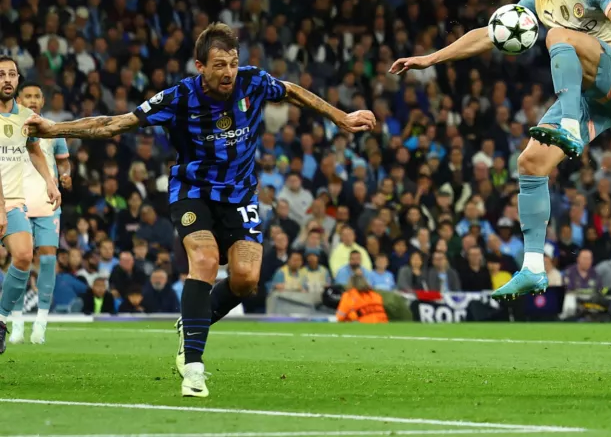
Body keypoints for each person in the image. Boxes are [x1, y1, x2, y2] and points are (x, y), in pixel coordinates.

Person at [26, 23, 375, 396]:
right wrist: (53, 128)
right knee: (206, 261)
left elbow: (292, 91)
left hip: (240, 195)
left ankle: (192, 320)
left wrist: (341, 117)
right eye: (220, 65)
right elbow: (116, 123)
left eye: (234, 64)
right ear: (200, 66)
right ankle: (193, 366)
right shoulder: (179, 97)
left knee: (246, 280)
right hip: (193, 192)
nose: (229, 72)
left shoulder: (253, 82)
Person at [390, 0, 611, 300]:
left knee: (558, 35)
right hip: (594, 96)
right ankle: (533, 267)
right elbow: (489, 33)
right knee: (529, 164)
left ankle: (566, 122)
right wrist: (430, 59)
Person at [0, 59, 61, 354]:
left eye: (12, 74)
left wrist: (50, 180)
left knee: (24, 256)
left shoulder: (25, 117)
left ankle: (2, 320)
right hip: (3, 203)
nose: (7, 79)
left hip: (12, 202)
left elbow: (34, 148)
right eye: (1, 75)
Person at [9, 82, 70, 344]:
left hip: (47, 202)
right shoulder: (9, 126)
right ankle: (17, 320)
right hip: (17, 201)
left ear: (43, 101)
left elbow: (63, 162)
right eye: (28, 96)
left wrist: (65, 176)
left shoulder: (52, 130)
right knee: (19, 262)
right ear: (19, 99)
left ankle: (41, 322)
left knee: (47, 260)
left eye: (37, 96)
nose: (33, 100)